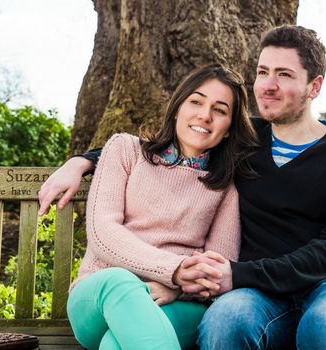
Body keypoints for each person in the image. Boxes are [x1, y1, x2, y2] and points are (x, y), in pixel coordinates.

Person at [39, 25, 326, 349]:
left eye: (285, 75)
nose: (268, 85)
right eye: (263, 72)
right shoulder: (247, 142)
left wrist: (222, 276)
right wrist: (82, 161)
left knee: (325, 325)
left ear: (315, 86)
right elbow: (157, 148)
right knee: (224, 321)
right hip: (258, 293)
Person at [61, 64, 258, 350]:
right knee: (118, 281)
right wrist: (174, 271)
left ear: (228, 129)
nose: (205, 115)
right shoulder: (125, 151)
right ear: (178, 107)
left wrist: (175, 289)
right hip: (98, 298)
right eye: (196, 101)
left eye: (220, 109)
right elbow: (103, 233)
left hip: (176, 303)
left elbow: (215, 271)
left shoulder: (223, 188)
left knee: (114, 345)